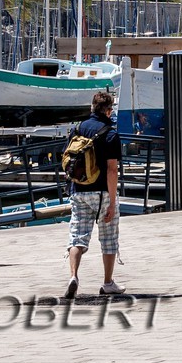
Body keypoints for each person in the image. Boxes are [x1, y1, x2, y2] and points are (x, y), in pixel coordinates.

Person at [63, 90, 123, 302]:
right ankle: (107, 283)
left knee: (77, 236)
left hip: (79, 190)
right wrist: (112, 202)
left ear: (92, 107)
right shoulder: (110, 134)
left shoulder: (78, 129)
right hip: (102, 192)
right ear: (109, 110)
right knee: (108, 238)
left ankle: (73, 276)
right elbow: (112, 170)